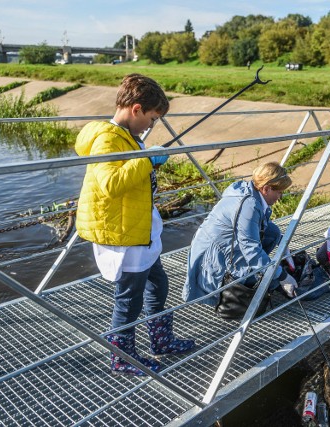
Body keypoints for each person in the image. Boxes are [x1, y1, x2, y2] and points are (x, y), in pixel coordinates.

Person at [75, 73, 194, 376]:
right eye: (152, 119)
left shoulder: (128, 137)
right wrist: (148, 159)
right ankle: (121, 356)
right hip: (123, 234)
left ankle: (160, 339)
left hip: (138, 229)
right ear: (136, 109)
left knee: (158, 283)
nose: (152, 126)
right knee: (128, 298)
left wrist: (144, 155)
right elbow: (110, 185)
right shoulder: (108, 139)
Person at [183, 162, 298, 305]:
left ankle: (257, 272)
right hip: (214, 254)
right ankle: (236, 285)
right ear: (266, 189)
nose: (280, 197)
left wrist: (281, 241)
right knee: (260, 272)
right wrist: (282, 276)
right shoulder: (249, 205)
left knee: (273, 233)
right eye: (279, 192)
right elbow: (251, 249)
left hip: (227, 243)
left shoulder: (249, 191)